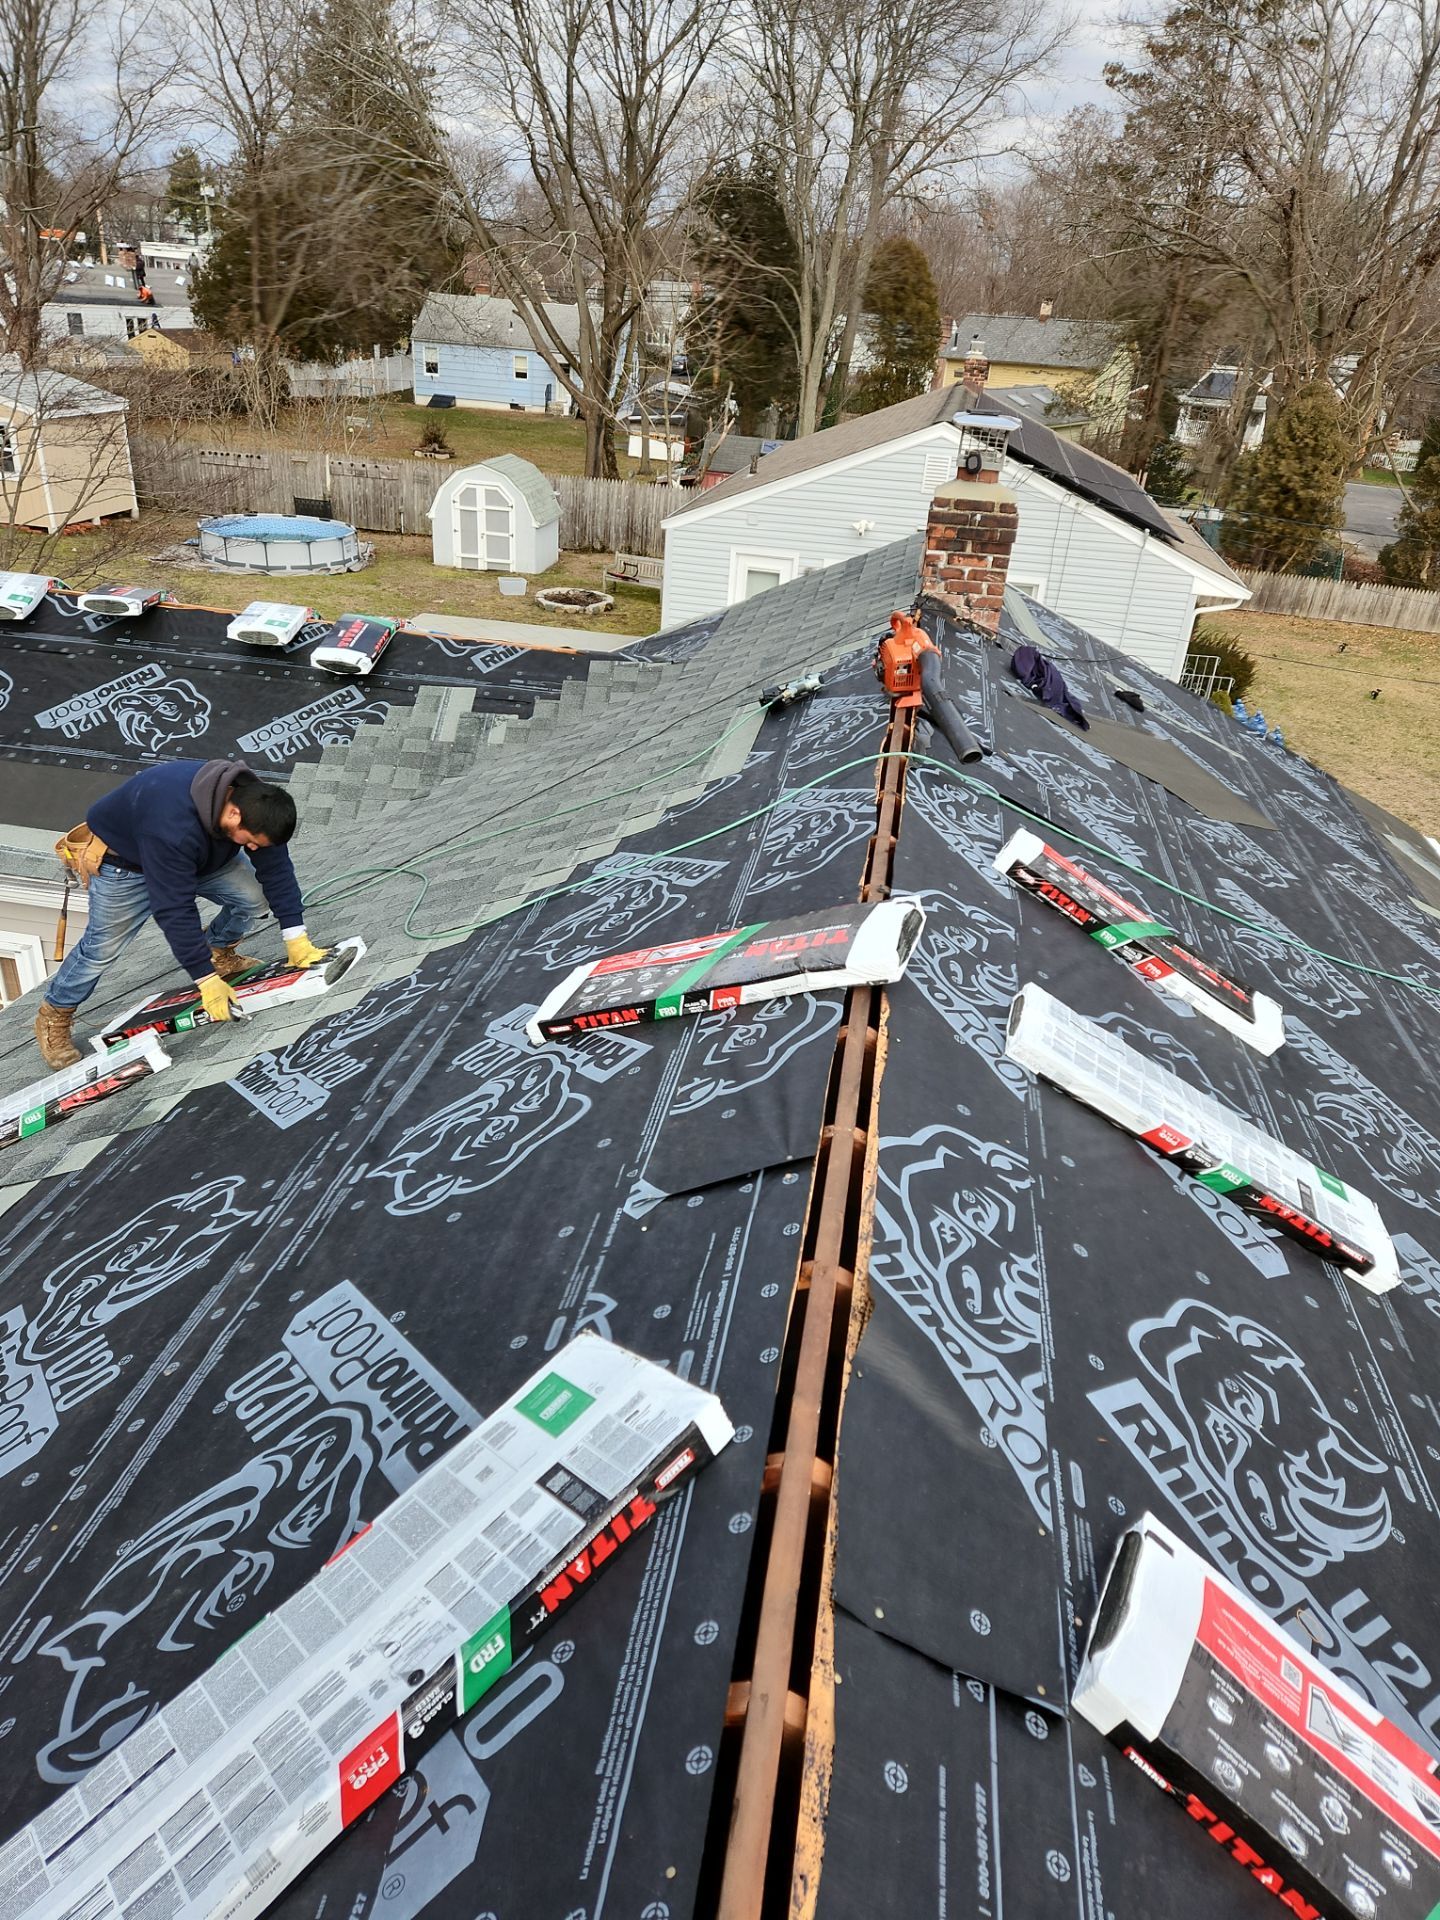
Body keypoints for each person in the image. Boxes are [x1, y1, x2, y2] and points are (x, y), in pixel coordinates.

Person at [35, 759, 329, 1069]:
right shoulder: (172, 825)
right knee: (101, 948)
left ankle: (220, 952)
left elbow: (277, 870)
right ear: (233, 814)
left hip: (202, 855)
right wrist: (206, 980)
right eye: (251, 843)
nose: (254, 849)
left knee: (255, 899)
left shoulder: (259, 808)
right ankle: (55, 1013)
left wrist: (296, 936)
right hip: (124, 865)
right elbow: (174, 908)